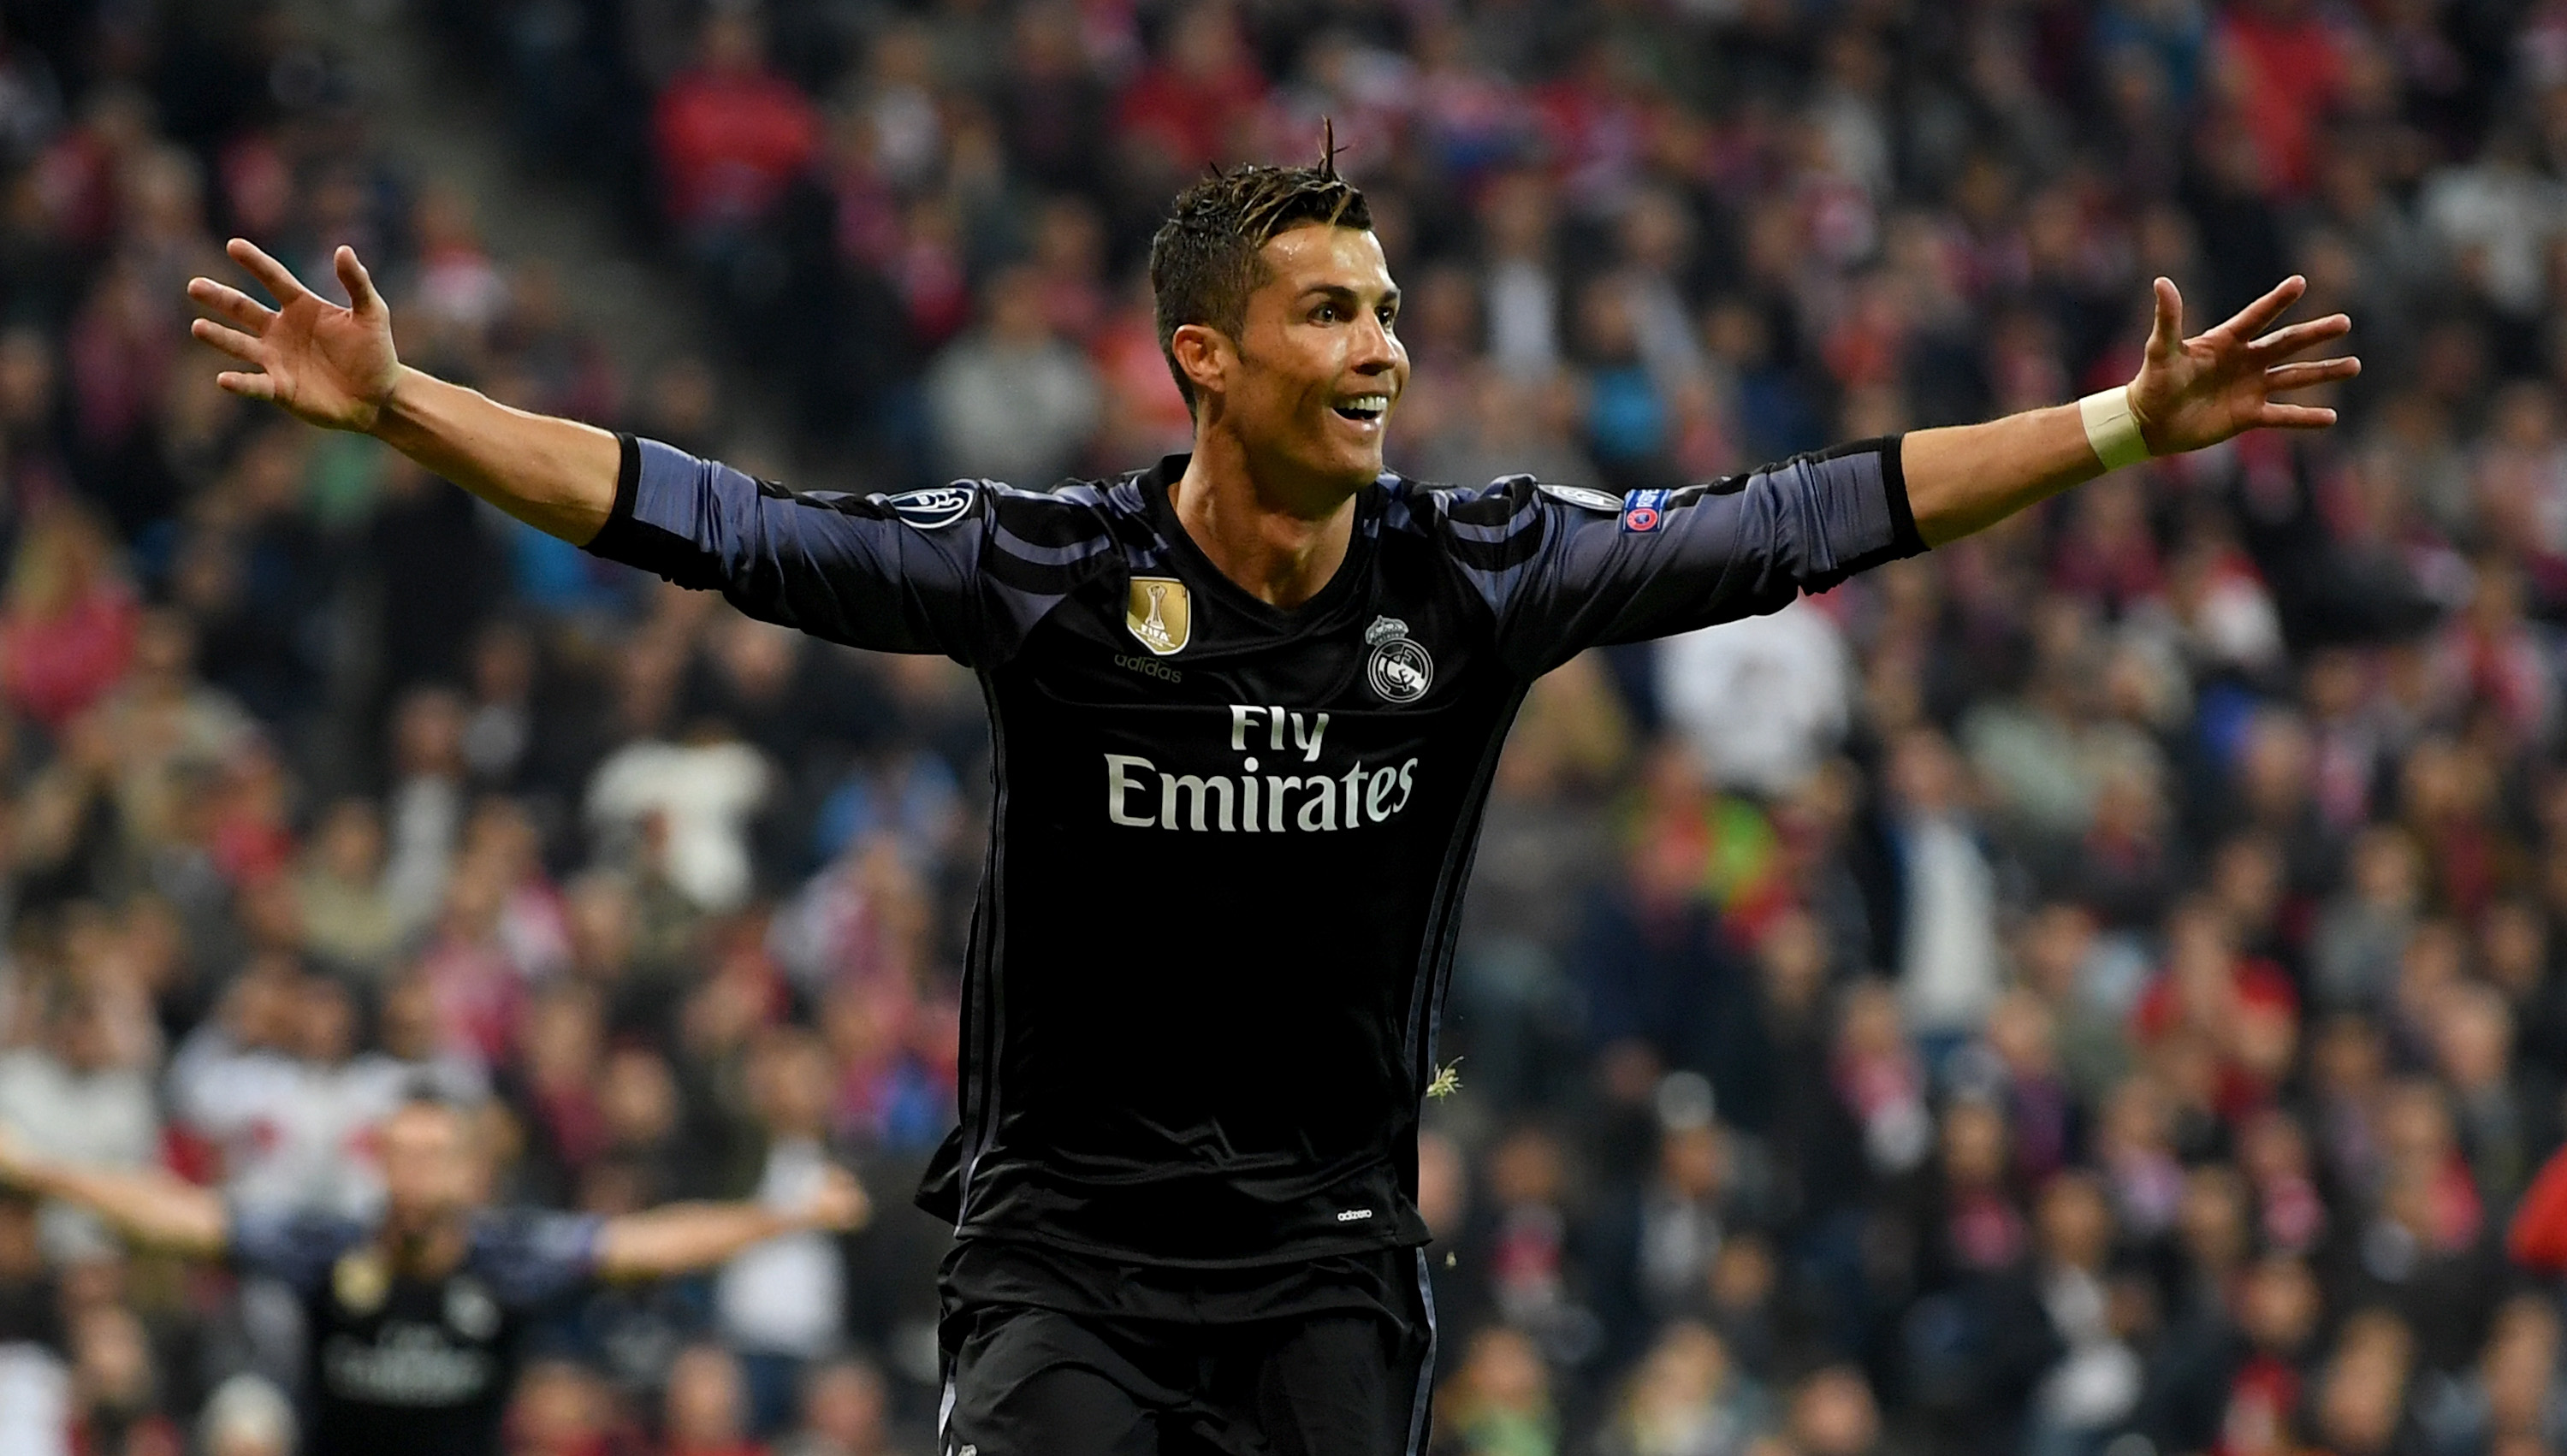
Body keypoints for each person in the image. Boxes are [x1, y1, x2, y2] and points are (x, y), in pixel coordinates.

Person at [181, 131, 2357, 1455]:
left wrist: (2108, 428)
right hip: (1059, 1252)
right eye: (1331, 309)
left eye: (1392, 305)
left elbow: (1796, 519)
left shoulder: (1479, 571)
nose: (1384, 345)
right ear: (1203, 357)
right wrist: (407, 410)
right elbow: (725, 525)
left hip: (1324, 1253)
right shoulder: (1037, 575)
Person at [0, 1097, 867, 1456]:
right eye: (400, 1155)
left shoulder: (510, 1260)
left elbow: (654, 1243)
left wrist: (788, 1216)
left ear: (467, 1173)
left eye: (434, 1157)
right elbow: (179, 1216)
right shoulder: (325, 1250)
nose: (414, 1174)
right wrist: (38, 1169)